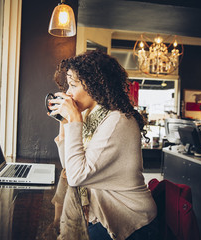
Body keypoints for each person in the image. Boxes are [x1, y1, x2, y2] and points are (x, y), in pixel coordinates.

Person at [47, 50, 158, 240]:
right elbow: (70, 165)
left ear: (95, 85)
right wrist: (65, 123)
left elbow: (76, 177)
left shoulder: (118, 121)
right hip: (102, 213)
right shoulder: (91, 118)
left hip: (129, 222)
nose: (68, 93)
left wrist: (74, 120)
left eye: (73, 85)